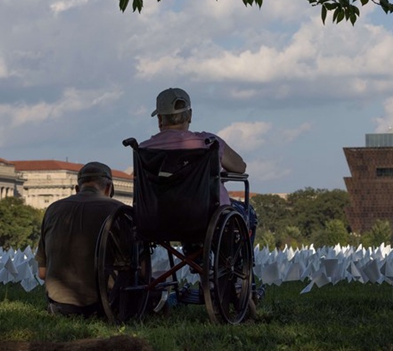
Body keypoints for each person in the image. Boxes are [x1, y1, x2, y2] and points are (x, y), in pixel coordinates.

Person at [139, 87, 258, 253]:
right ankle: (234, 269)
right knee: (248, 212)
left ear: (160, 119)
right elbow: (240, 167)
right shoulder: (208, 142)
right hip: (206, 216)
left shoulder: (144, 149)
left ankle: (194, 254)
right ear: (190, 116)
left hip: (158, 217)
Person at [35, 161, 123, 318]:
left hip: (59, 306)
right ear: (109, 188)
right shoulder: (118, 209)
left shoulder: (52, 210)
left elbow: (42, 272)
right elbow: (141, 272)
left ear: (77, 189)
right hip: (107, 306)